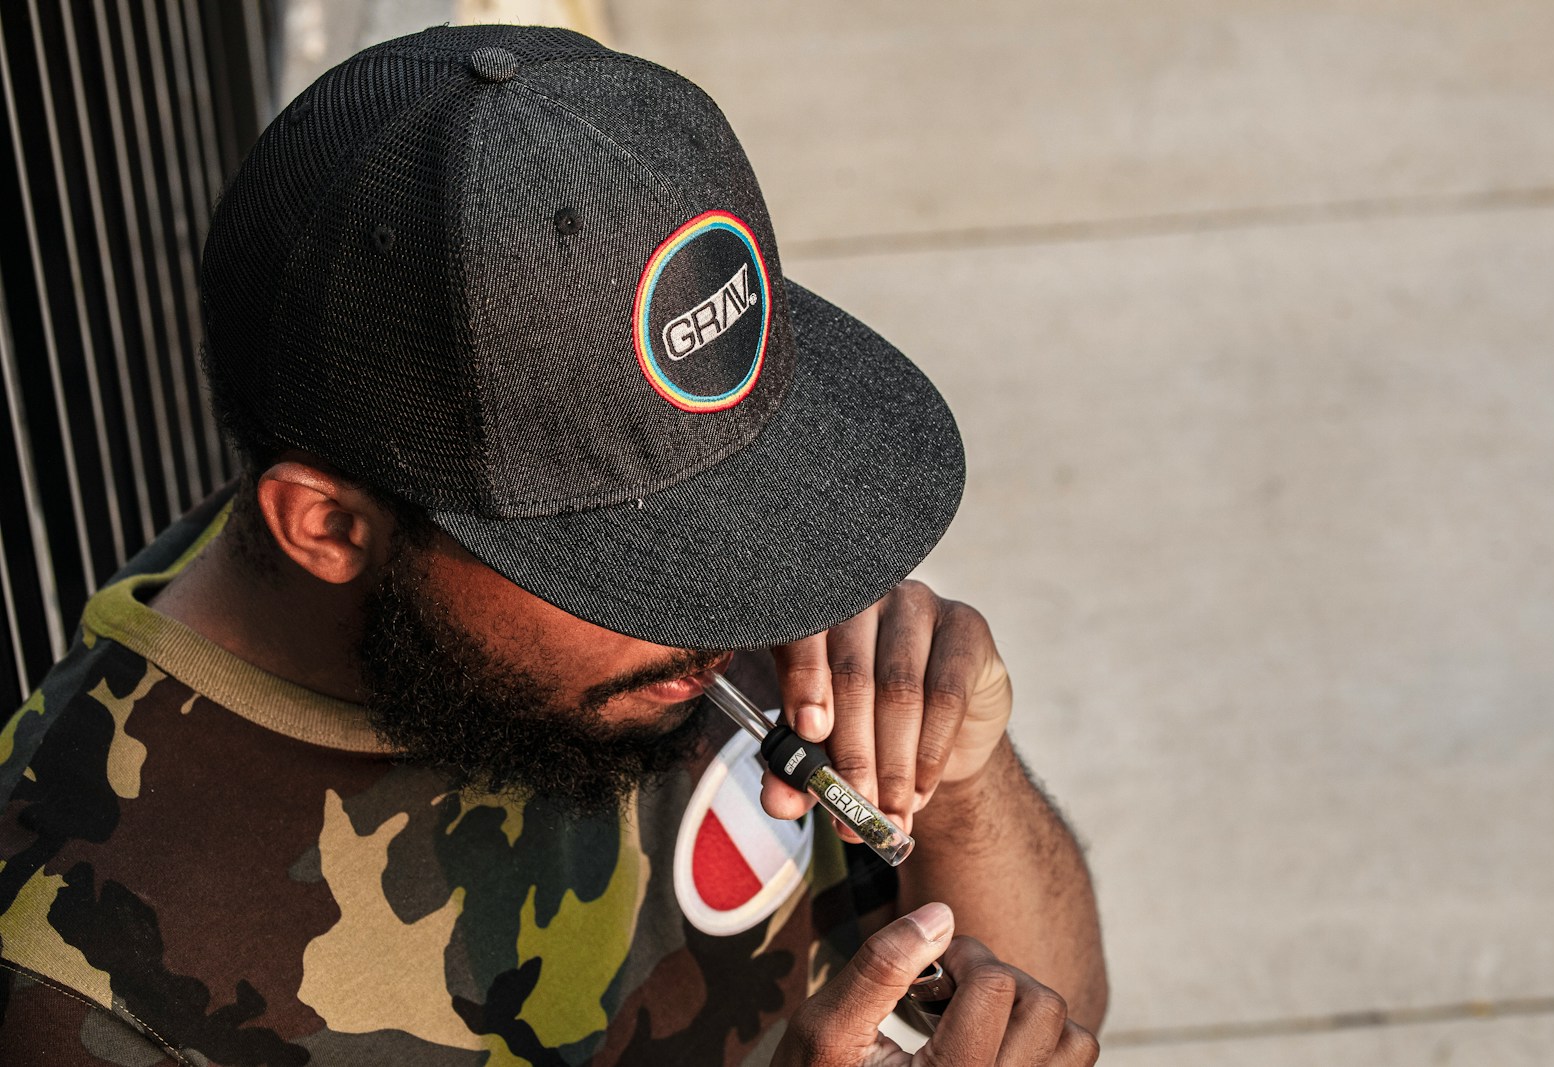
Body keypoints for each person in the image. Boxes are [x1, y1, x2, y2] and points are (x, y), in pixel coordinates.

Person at [0, 24, 1106, 1066]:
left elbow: (1065, 1001)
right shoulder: (91, 991)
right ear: (329, 526)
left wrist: (961, 780)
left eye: (730, 499)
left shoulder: (671, 641)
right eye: (621, 557)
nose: (733, 607)